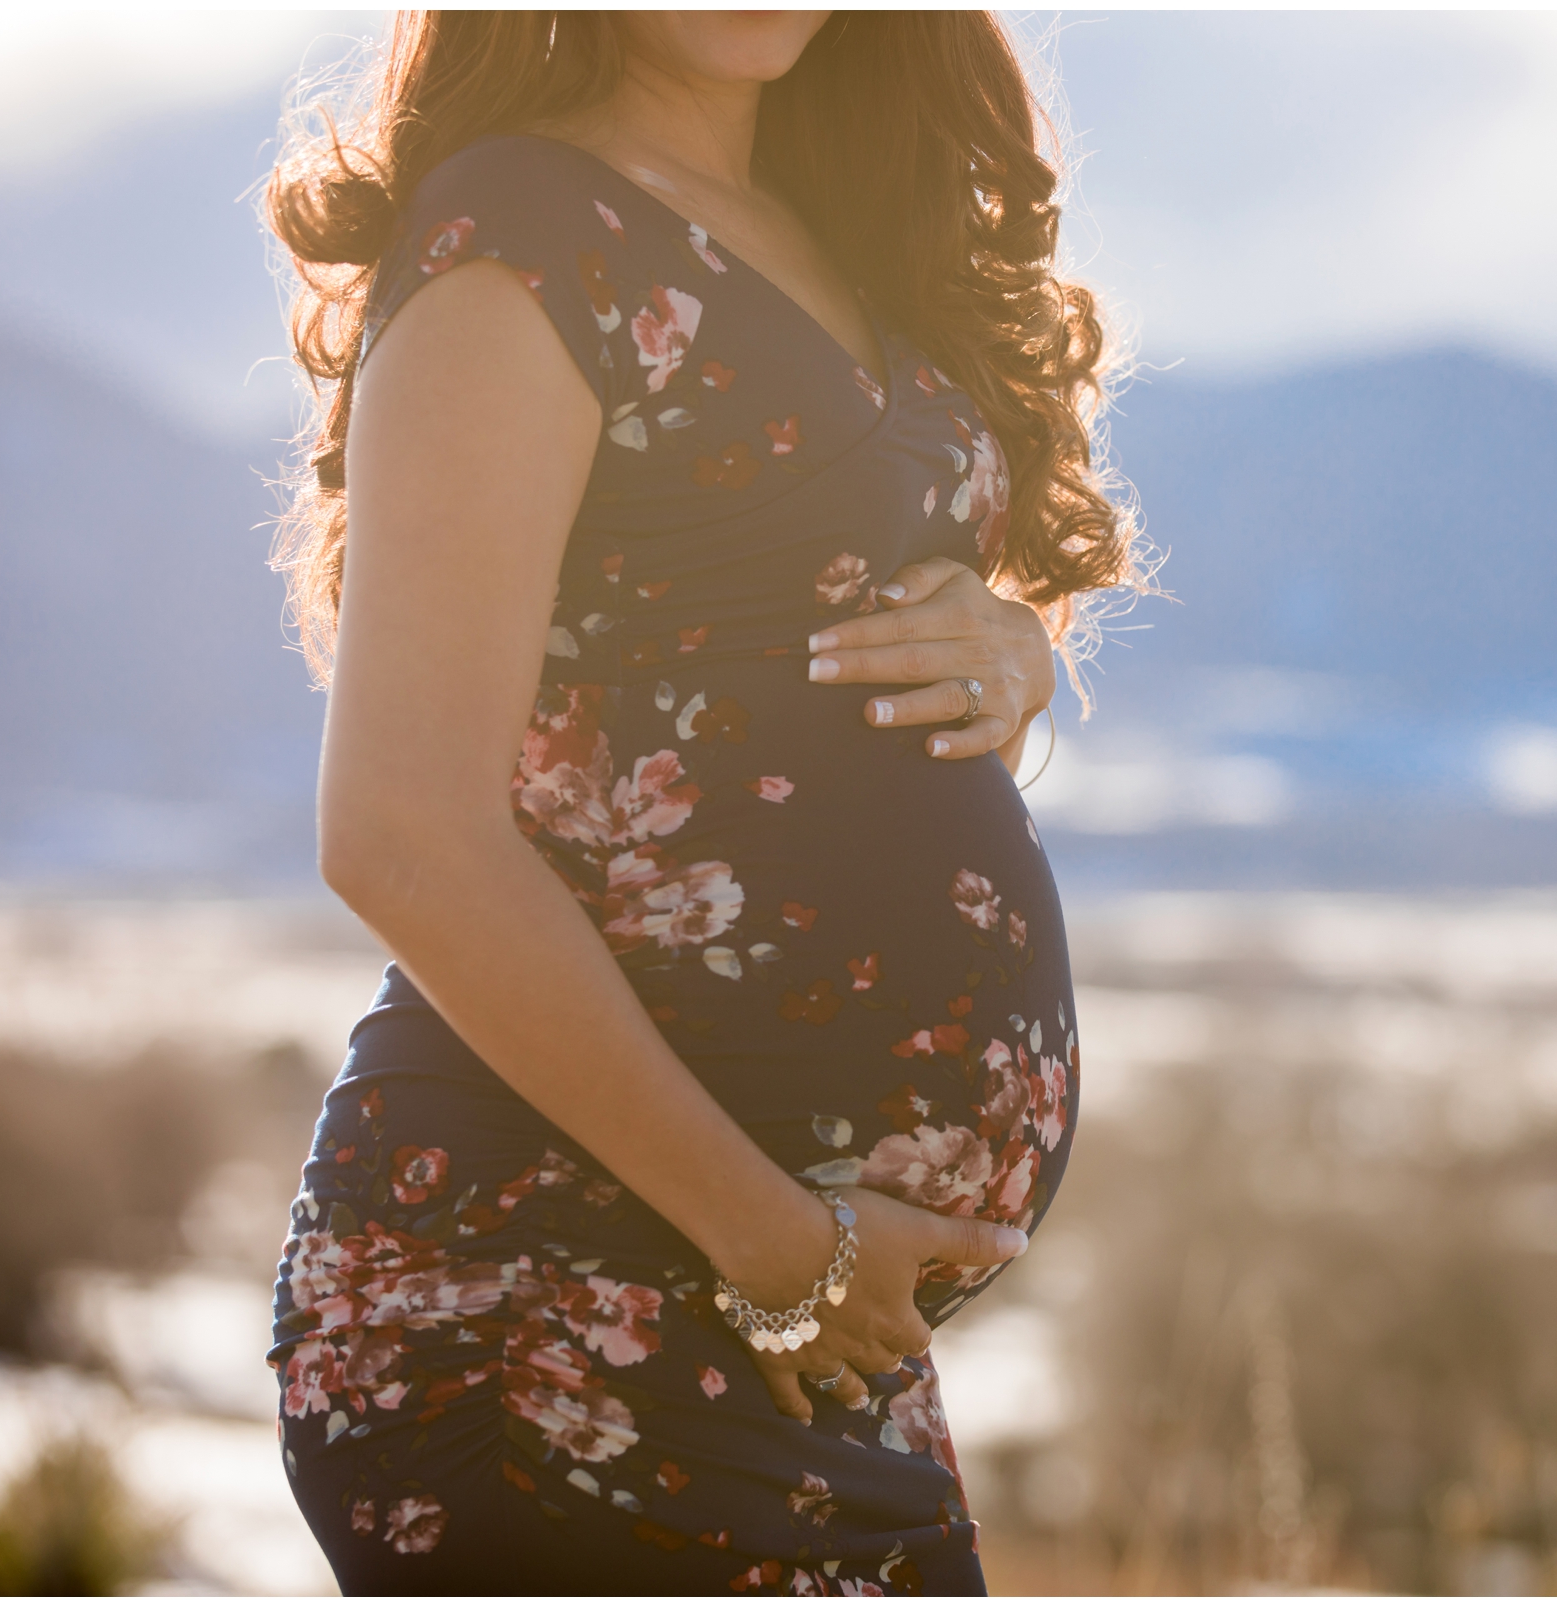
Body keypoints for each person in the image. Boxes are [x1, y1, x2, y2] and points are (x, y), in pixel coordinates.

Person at [260, 11, 1136, 1592]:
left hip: (795, 1329)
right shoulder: (516, 245)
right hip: (544, 1296)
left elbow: (781, 672)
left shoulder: (847, 219)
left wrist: (1011, 652)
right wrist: (778, 1247)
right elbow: (401, 831)